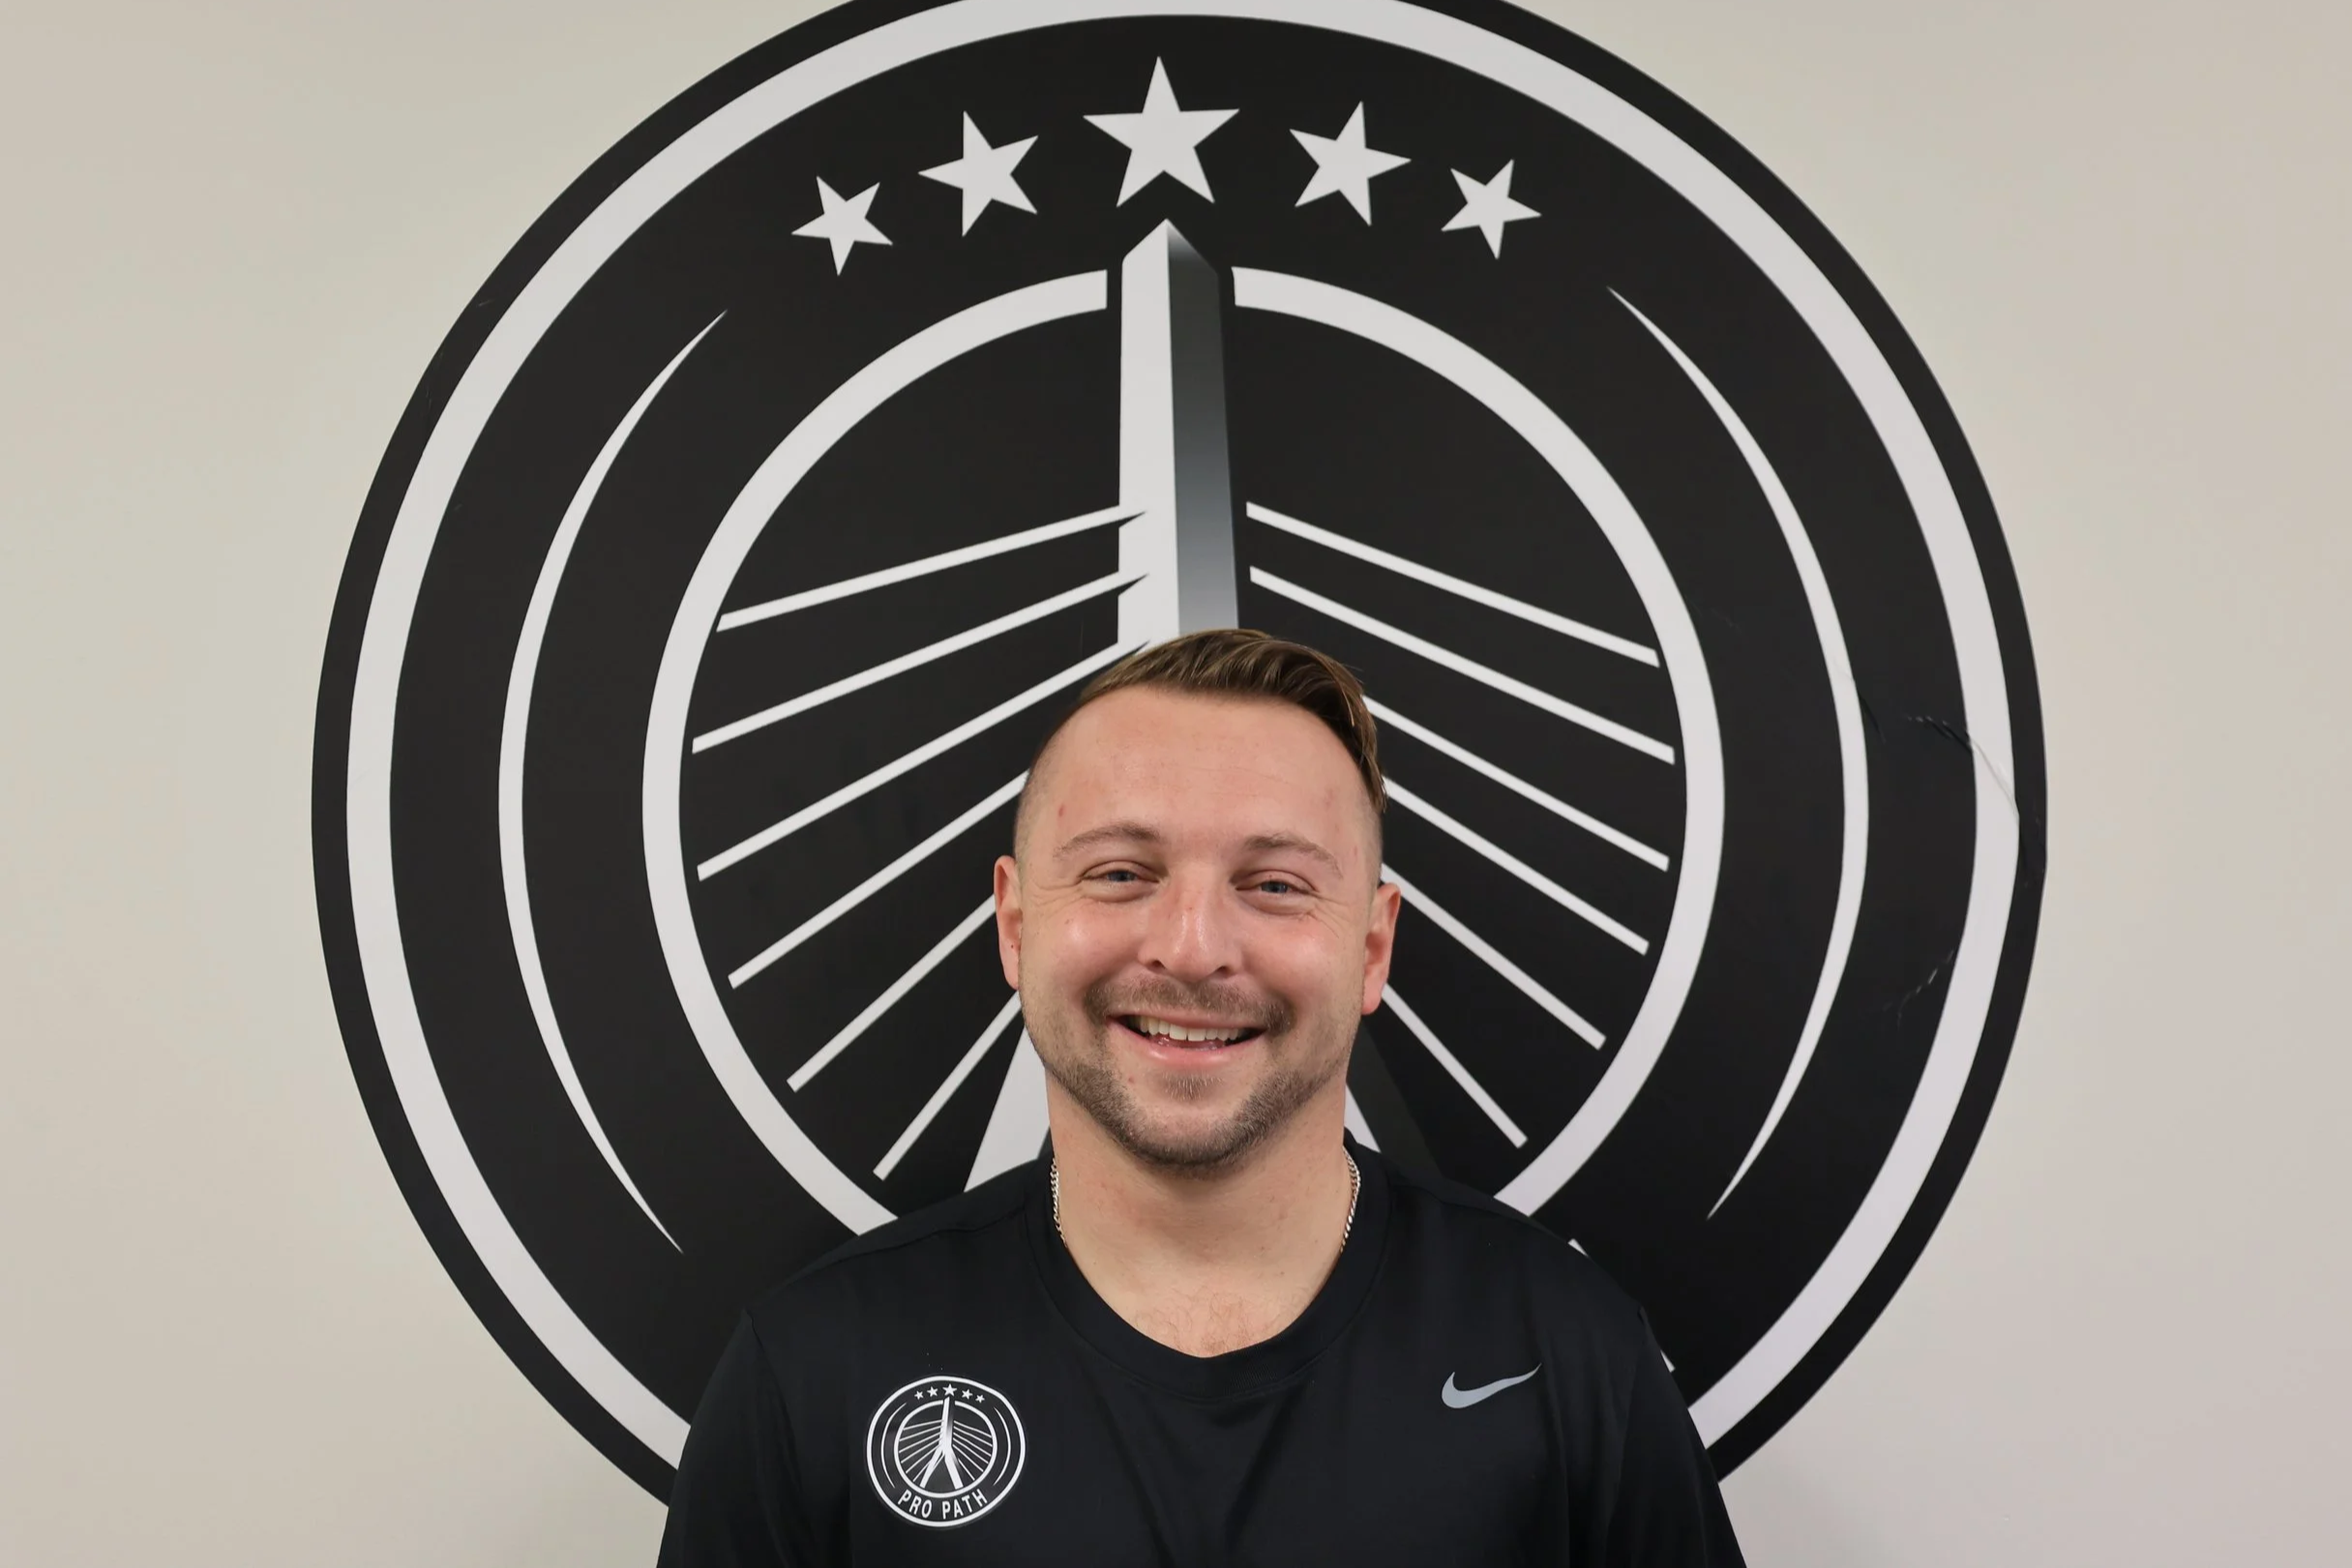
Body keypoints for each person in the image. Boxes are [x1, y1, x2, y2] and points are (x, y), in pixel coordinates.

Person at [657, 629, 1744, 1566]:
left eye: (1273, 883)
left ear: (1371, 948)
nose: (1190, 947)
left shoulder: (1568, 1356)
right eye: (1121, 872)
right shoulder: (812, 1373)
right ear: (1016, 925)